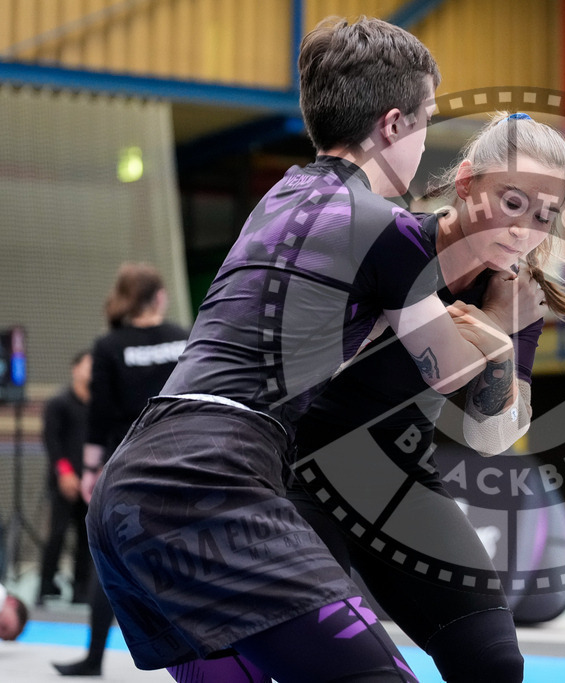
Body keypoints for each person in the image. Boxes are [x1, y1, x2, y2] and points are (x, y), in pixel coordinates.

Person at [85, 16, 510, 683]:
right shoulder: (389, 229)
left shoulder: (277, 199)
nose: (424, 142)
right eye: (425, 121)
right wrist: (496, 325)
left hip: (130, 489)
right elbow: (451, 370)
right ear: (393, 125)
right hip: (212, 483)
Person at [290, 112, 565, 683]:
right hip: (300, 471)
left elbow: (491, 436)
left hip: (399, 479)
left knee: (494, 661)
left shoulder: (515, 293)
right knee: (332, 662)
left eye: (544, 216)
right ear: (465, 185)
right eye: (511, 202)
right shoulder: (393, 243)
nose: (525, 230)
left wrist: (499, 346)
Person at [54, 263, 188, 677]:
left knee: (109, 560)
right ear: (160, 297)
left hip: (127, 465)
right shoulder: (183, 337)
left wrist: (91, 472)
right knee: (186, 557)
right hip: (180, 462)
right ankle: (203, 655)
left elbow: (100, 416)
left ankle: (95, 657)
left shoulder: (109, 345)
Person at [38, 350, 92, 606]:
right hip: (64, 484)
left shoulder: (98, 406)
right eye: (87, 365)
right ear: (75, 368)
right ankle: (45, 584)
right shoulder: (58, 403)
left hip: (89, 484)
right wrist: (65, 473)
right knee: (57, 535)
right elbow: (52, 441)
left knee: (86, 537)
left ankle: (81, 588)